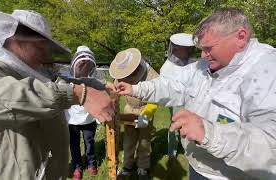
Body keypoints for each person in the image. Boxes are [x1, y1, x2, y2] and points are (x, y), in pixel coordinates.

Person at [116, 8, 276, 180]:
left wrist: (208, 133)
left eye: (208, 48)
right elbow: (173, 85)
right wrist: (135, 89)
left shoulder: (267, 71)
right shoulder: (203, 66)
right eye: (201, 49)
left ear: (241, 37)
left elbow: (270, 145)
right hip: (198, 167)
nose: (203, 55)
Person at [0, 9, 115, 180]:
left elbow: (70, 81)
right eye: (39, 47)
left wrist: (103, 86)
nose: (44, 54)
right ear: (15, 42)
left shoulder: (35, 69)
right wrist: (77, 94)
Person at [108, 48, 158, 180]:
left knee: (144, 141)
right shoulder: (120, 74)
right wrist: (109, 107)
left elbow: (158, 94)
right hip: (129, 108)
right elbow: (115, 92)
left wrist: (147, 113)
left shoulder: (149, 72)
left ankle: (143, 167)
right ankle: (127, 167)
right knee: (129, 140)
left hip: (146, 108)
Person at [64, 45, 99, 180]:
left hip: (89, 118)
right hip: (72, 120)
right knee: (74, 144)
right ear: (75, 63)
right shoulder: (67, 79)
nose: (84, 66)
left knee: (89, 142)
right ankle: (77, 166)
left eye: (87, 64)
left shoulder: (94, 81)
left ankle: (91, 164)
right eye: (81, 64)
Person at [160, 33, 197, 159]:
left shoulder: (193, 63)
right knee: (176, 125)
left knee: (193, 125)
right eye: (185, 47)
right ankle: (172, 153)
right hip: (177, 102)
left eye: (189, 48)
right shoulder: (167, 68)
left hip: (194, 101)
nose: (188, 50)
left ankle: (192, 152)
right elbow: (165, 90)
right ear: (175, 48)